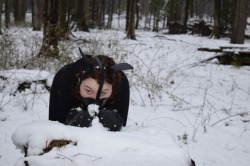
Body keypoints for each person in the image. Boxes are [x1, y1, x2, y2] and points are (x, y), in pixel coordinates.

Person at [49, 48, 133, 131]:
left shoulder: (121, 82)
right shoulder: (64, 78)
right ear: (79, 82)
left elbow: (120, 130)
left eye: (103, 93)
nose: (95, 99)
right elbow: (54, 128)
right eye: (88, 91)